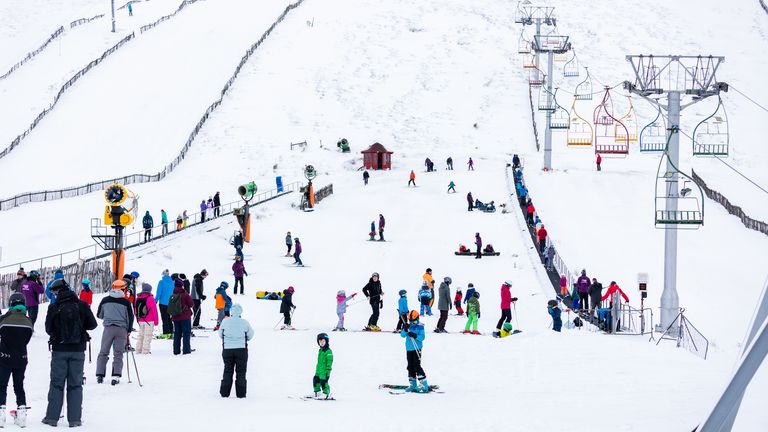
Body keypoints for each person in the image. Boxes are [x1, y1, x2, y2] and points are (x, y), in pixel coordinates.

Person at [42, 279, 97, 427]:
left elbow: (48, 329)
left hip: (59, 350)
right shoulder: (82, 305)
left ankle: (52, 418)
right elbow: (93, 324)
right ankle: (74, 420)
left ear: (57, 292)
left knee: (56, 384)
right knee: (76, 385)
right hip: (78, 350)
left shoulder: (54, 307)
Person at [0, 293, 33, 428]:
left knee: (1, 385)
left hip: (4, 357)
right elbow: (28, 339)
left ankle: (1, 415)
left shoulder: (3, 319)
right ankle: (22, 413)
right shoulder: (28, 321)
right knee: (19, 386)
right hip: (21, 358)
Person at [95, 280, 134, 385]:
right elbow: (130, 317)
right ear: (123, 289)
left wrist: (109, 315)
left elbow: (99, 315)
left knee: (103, 352)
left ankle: (100, 375)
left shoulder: (105, 300)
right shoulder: (126, 302)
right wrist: (129, 330)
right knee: (118, 353)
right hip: (122, 330)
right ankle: (116, 376)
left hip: (108, 329)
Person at [218, 304, 254, 398]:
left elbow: (220, 334)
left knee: (228, 370)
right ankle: (241, 394)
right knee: (241, 372)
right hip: (241, 349)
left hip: (227, 349)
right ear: (240, 312)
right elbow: (250, 335)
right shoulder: (244, 322)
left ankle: (224, 393)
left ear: (231, 311)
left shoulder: (225, 321)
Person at [401, 311, 429, 392]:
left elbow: (422, 338)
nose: (413, 323)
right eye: (411, 321)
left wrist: (415, 335)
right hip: (409, 348)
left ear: (417, 319)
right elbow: (402, 335)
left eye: (414, 321)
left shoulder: (420, 326)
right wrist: (405, 329)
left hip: (417, 348)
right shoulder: (408, 325)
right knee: (410, 366)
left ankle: (424, 384)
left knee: (417, 365)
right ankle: (413, 384)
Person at [169, 279, 194, 355]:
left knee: (177, 334)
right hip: (185, 317)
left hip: (175, 317)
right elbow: (191, 304)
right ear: (182, 286)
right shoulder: (185, 294)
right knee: (186, 333)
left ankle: (176, 351)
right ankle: (186, 350)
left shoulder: (173, 294)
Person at [135, 283, 158, 354]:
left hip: (141, 320)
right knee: (147, 336)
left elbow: (135, 309)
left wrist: (137, 319)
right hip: (149, 321)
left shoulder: (138, 298)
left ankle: (138, 350)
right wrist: (156, 321)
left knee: (141, 335)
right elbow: (154, 311)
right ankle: (145, 351)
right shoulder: (150, 298)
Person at [312, 333, 334, 399]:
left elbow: (330, 361)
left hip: (325, 370)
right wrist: (317, 369)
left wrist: (328, 370)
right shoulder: (320, 350)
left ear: (326, 341)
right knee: (315, 380)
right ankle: (317, 392)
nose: (321, 343)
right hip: (319, 370)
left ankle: (326, 393)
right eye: (320, 341)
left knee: (323, 382)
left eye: (323, 341)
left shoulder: (328, 351)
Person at [156, 270, 174, 338]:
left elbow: (159, 292)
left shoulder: (161, 282)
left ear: (163, 275)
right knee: (170, 318)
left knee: (164, 318)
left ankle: (166, 333)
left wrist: (155, 300)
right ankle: (171, 332)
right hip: (171, 303)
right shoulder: (173, 282)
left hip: (163, 303)